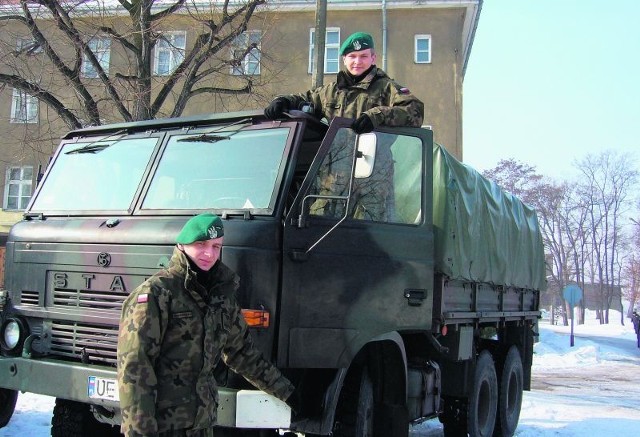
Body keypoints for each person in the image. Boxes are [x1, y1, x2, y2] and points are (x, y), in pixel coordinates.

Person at [117, 213, 296, 437]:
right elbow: (135, 369)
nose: (209, 253)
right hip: (163, 428)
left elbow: (242, 353)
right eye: (200, 244)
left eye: (216, 246)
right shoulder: (157, 294)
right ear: (182, 245)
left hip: (202, 425)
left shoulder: (221, 297)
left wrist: (287, 393)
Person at [264, 31, 424, 133]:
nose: (357, 61)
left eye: (363, 56)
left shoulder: (387, 88)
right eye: (352, 56)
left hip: (375, 173)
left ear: (373, 58)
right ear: (344, 60)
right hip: (332, 175)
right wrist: (281, 100)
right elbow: (302, 99)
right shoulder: (330, 92)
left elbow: (415, 111)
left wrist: (376, 116)